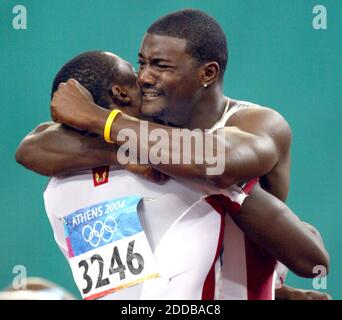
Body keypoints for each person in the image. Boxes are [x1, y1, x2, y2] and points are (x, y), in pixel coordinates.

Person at [16, 10, 329, 299]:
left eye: (160, 66)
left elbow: (216, 164)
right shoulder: (144, 133)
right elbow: (32, 147)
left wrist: (100, 119)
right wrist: (124, 153)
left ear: (207, 73)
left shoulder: (255, 123)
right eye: (141, 63)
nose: (144, 77)